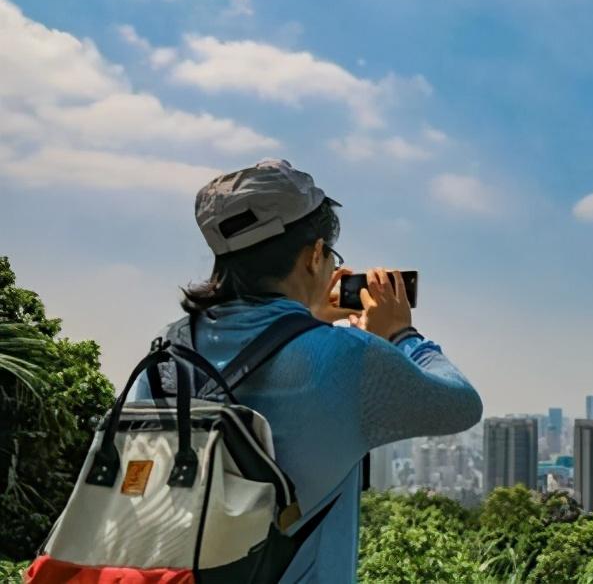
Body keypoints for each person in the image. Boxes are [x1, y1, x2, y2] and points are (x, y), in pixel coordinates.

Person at [133, 158, 482, 582]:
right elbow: (460, 404)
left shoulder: (170, 350)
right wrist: (401, 333)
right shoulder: (349, 357)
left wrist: (304, 319)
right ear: (316, 255)